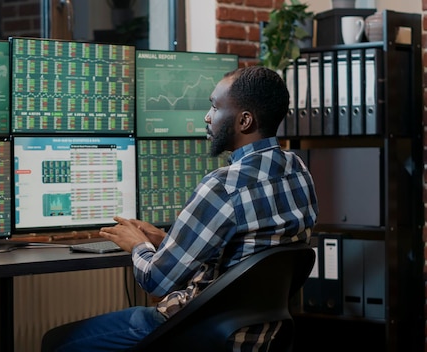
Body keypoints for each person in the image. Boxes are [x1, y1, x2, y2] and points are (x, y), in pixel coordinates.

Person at [41, 66, 319, 351]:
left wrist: (138, 246)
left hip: (197, 331)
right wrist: (166, 242)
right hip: (257, 337)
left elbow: (157, 282)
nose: (207, 117)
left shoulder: (224, 185)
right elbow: (248, 252)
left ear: (244, 121)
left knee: (56, 341)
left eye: (214, 106)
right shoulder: (297, 170)